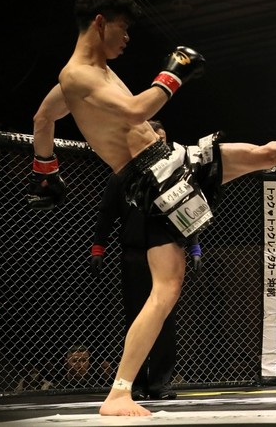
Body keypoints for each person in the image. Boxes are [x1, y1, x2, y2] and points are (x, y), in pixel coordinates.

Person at [26, 0, 276, 416]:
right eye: (123, 28)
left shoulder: (90, 76)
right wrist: (173, 72)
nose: (127, 37)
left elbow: (42, 119)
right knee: (166, 288)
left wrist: (46, 171)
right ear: (100, 23)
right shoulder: (77, 75)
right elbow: (137, 111)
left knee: (265, 154)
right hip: (150, 183)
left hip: (172, 160)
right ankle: (119, 393)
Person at [90, 120, 191, 401]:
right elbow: (106, 212)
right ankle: (133, 383)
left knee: (165, 318)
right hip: (134, 254)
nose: (161, 145)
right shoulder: (123, 175)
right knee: (135, 317)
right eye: (156, 140)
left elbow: (187, 210)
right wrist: (98, 248)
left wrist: (194, 247)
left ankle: (159, 383)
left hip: (167, 251)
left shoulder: (174, 175)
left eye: (164, 140)